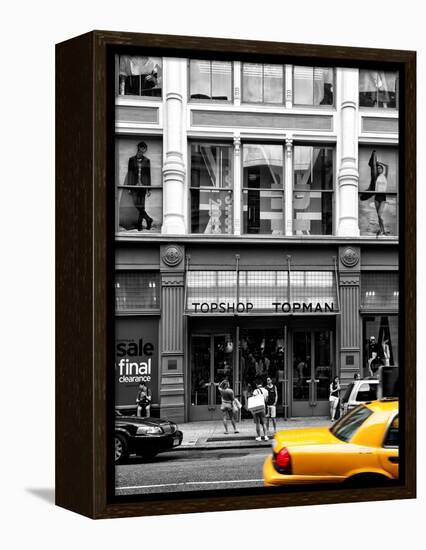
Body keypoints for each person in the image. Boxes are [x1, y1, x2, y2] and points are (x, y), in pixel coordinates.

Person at [127, 141, 153, 231]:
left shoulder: (147, 160)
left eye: (144, 149)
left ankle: (139, 225)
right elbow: (130, 174)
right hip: (134, 186)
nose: (143, 150)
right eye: (142, 148)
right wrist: (129, 187)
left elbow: (148, 175)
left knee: (142, 206)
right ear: (138, 148)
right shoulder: (131, 160)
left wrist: (149, 189)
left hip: (143, 186)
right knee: (137, 205)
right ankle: (148, 219)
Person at [374, 164, 388, 235]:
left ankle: (383, 230)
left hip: (383, 197)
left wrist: (379, 162)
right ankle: (381, 230)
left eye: (380, 168)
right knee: (378, 216)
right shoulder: (377, 177)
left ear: (382, 169)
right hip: (377, 197)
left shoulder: (385, 175)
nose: (379, 169)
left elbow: (387, 166)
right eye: (378, 168)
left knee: (380, 215)